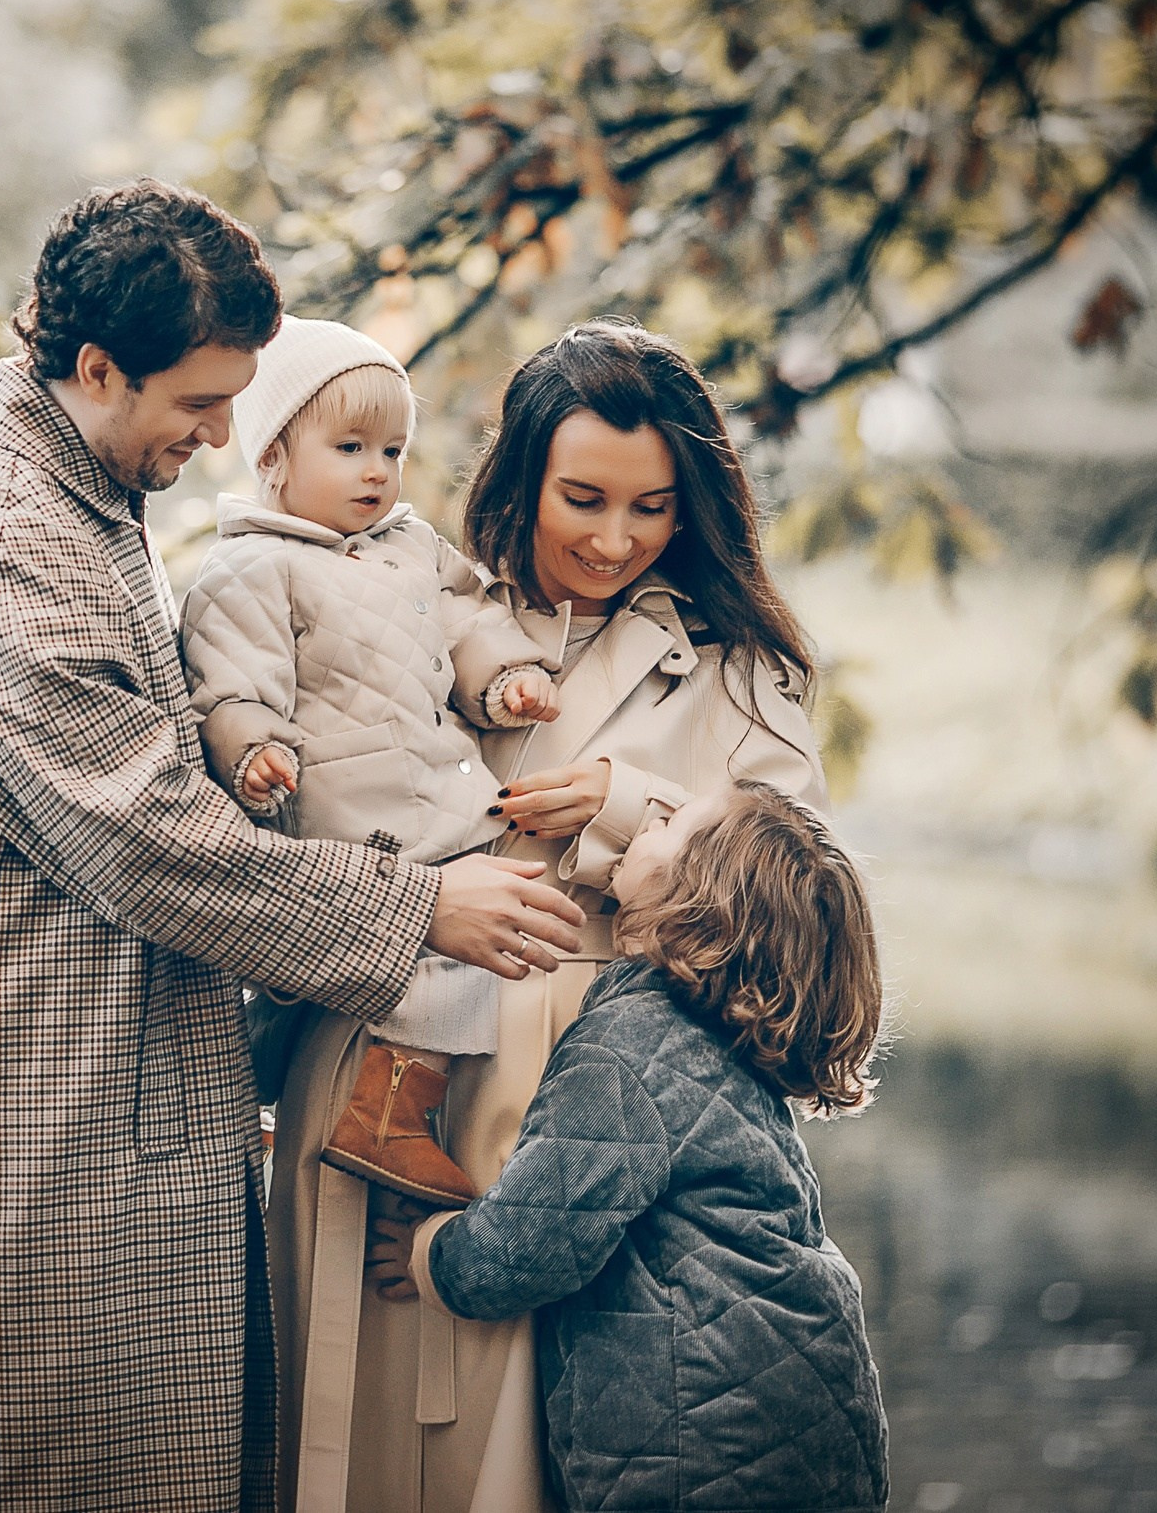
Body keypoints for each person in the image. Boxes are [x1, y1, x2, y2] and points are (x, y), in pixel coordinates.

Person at [0, 179, 585, 1513]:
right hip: (24, 1126)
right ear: (95, 366)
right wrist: (418, 907)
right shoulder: (8, 550)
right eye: (199, 402)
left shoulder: (80, 484)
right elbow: (150, 841)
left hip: (97, 1099)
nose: (227, 432)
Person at [267, 319, 830, 1513]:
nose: (614, 539)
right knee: (344, 1427)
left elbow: (807, 913)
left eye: (654, 508)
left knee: (516, 1444)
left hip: (585, 1099)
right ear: (519, 477)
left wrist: (627, 808)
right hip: (382, 1047)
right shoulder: (404, 597)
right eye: (581, 498)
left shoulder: (744, 670)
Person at [382, 781, 890, 1513]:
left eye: (674, 822)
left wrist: (428, 1250)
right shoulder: (734, 1045)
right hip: (820, 1411)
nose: (648, 817)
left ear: (698, 897)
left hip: (704, 1447)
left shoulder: (629, 1047)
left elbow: (520, 1248)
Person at [182, 315, 562, 1208]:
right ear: (273, 455)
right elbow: (230, 686)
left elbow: (464, 623)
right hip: (348, 811)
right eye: (349, 445)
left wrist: (503, 679)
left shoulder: (411, 546)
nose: (375, 471)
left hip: (427, 779)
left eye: (391, 448)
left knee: (439, 946)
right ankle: (386, 1115)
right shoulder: (250, 568)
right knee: (416, 951)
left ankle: (299, 1102)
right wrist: (254, 751)